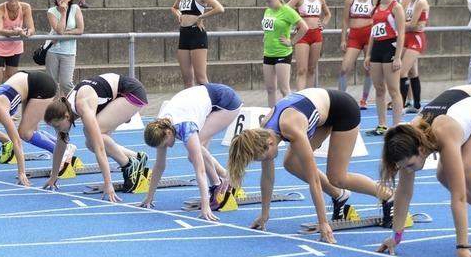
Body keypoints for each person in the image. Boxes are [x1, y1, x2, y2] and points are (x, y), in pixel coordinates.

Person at [377, 84, 471, 257]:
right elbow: (403, 193)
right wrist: (396, 237)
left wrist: (462, 247)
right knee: (443, 175)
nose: (408, 170)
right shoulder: (406, 139)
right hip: (464, 100)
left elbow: (459, 197)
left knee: (467, 167)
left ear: (421, 150)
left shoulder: (443, 131)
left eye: (410, 165)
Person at [227, 88, 394, 240]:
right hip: (320, 113)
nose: (266, 160)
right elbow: (268, 178)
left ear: (270, 143)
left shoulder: (291, 128)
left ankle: (388, 195)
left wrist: (323, 223)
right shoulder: (263, 132)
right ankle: (340, 195)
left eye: (264, 157)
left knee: (337, 177)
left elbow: (313, 178)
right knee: (291, 163)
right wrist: (265, 214)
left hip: (343, 110)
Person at [141, 83, 242, 221]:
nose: (167, 147)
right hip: (204, 98)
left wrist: (205, 206)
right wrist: (149, 197)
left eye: (165, 144)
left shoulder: (186, 127)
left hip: (226, 102)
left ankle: (219, 183)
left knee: (194, 154)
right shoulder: (159, 127)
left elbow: (200, 170)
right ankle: (226, 178)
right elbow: (159, 166)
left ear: (168, 133)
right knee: (194, 152)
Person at [43, 73, 149, 201]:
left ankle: (128, 165)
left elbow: (100, 149)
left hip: (131, 93)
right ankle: (136, 157)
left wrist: (108, 184)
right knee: (90, 143)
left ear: (66, 116)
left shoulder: (82, 105)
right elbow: (60, 145)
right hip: (116, 94)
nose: (57, 130)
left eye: (57, 126)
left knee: (93, 135)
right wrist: (54, 175)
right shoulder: (64, 107)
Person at [171, 0, 224, 88]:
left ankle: (210, 104)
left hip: (196, 34)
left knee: (201, 78)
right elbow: (173, 7)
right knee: (187, 79)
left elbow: (219, 8)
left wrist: (201, 17)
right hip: (184, 35)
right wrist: (178, 14)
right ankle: (190, 106)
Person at [364, 0, 405, 135]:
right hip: (377, 49)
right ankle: (382, 125)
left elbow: (401, 33)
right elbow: (373, 32)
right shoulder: (377, 6)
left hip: (390, 46)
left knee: (394, 90)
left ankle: (397, 126)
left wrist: (398, 56)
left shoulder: (396, 7)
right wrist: (368, 54)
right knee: (379, 89)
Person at [261, 0, 309, 107]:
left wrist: (292, 42)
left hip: (282, 52)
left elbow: (304, 27)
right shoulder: (268, 11)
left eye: (269, 1)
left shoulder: (287, 10)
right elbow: (269, 28)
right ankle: (271, 114)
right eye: (266, 1)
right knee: (270, 89)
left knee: (284, 89)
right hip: (268, 52)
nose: (268, 4)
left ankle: (290, 113)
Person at [338, 0, 378, 108]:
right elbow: (345, 20)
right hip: (354, 35)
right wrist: (343, 39)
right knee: (344, 68)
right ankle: (341, 98)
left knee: (368, 68)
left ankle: (364, 99)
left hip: (369, 35)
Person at [287, 0, 331, 91]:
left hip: (316, 34)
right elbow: (286, 10)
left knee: (311, 68)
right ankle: (300, 95)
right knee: (302, 69)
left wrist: (324, 23)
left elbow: (327, 14)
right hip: (303, 35)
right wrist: (297, 21)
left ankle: (309, 96)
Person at [0, 0, 35, 89]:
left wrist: (27, 33)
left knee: (11, 77)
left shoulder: (26, 7)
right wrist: (17, 32)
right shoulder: (0, 8)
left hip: (14, 45)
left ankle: (8, 101)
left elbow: (31, 28)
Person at [46, 0, 84, 95]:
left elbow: (80, 29)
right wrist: (63, 13)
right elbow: (58, 30)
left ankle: (77, 101)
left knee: (66, 82)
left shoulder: (75, 8)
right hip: (53, 50)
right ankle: (55, 108)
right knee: (52, 84)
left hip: (69, 51)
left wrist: (64, 34)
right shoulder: (51, 11)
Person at [400, 0, 429, 114]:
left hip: (416, 38)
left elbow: (412, 24)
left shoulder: (420, 1)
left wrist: (400, 25)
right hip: (408, 36)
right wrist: (408, 25)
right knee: (412, 72)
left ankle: (400, 104)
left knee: (401, 71)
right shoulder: (410, 2)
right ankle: (417, 105)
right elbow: (411, 24)